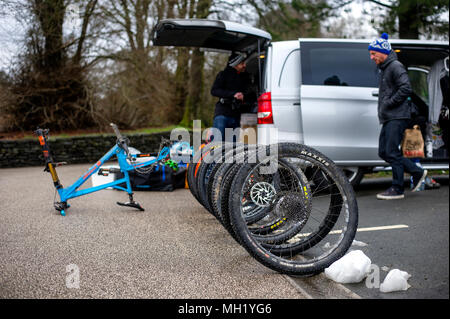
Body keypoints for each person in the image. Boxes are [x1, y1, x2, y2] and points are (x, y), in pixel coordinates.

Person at [368, 33, 428, 200]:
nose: (372, 57)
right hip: (389, 116)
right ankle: (417, 171)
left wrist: (388, 103)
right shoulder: (385, 68)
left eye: (373, 53)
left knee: (391, 151)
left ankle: (397, 188)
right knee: (384, 151)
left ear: (383, 52)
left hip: (397, 116)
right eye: (371, 54)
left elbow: (406, 88)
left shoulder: (395, 66)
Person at [210, 52, 255, 142]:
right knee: (217, 143)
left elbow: (252, 95)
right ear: (235, 64)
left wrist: (243, 96)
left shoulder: (246, 78)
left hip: (236, 116)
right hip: (222, 114)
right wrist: (233, 94)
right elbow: (214, 91)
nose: (244, 65)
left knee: (232, 148)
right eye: (242, 63)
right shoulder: (223, 75)